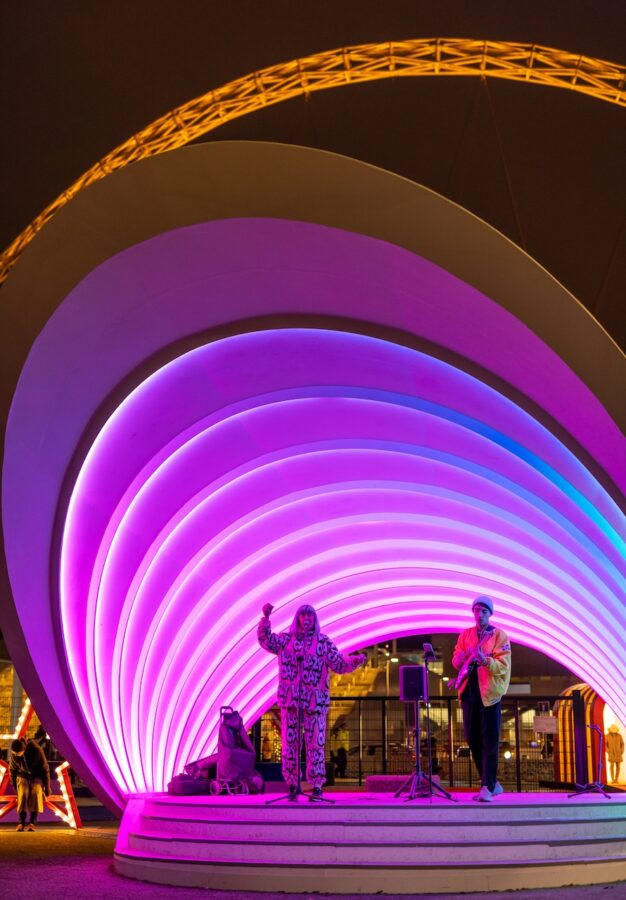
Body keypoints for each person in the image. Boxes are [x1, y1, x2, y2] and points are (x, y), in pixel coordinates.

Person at [258, 602, 366, 800]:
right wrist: (265, 618)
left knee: (315, 744)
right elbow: (266, 641)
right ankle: (292, 784)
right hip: (291, 701)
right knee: (290, 744)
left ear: (314, 620)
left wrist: (354, 661)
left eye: (310, 616)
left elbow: (339, 664)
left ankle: (316, 785)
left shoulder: (323, 642)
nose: (306, 619)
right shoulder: (286, 640)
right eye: (303, 615)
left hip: (315, 702)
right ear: (297, 618)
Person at [452, 595, 511, 802]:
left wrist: (485, 661)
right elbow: (456, 660)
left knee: (489, 740)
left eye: (484, 611)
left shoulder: (498, 636)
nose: (479, 615)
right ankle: (491, 783)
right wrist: (461, 657)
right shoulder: (465, 635)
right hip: (469, 693)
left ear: (490, 613)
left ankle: (487, 786)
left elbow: (503, 666)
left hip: (489, 695)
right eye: (476, 611)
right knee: (472, 739)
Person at [9, 737, 51, 831]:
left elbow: (45, 768)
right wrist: (15, 786)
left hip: (37, 776)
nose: (16, 755)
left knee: (35, 794)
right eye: (14, 753)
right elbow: (12, 770)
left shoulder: (36, 750)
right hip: (22, 776)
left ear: (23, 749)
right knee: (23, 794)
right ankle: (21, 823)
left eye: (18, 753)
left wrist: (47, 786)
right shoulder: (15, 754)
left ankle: (32, 823)